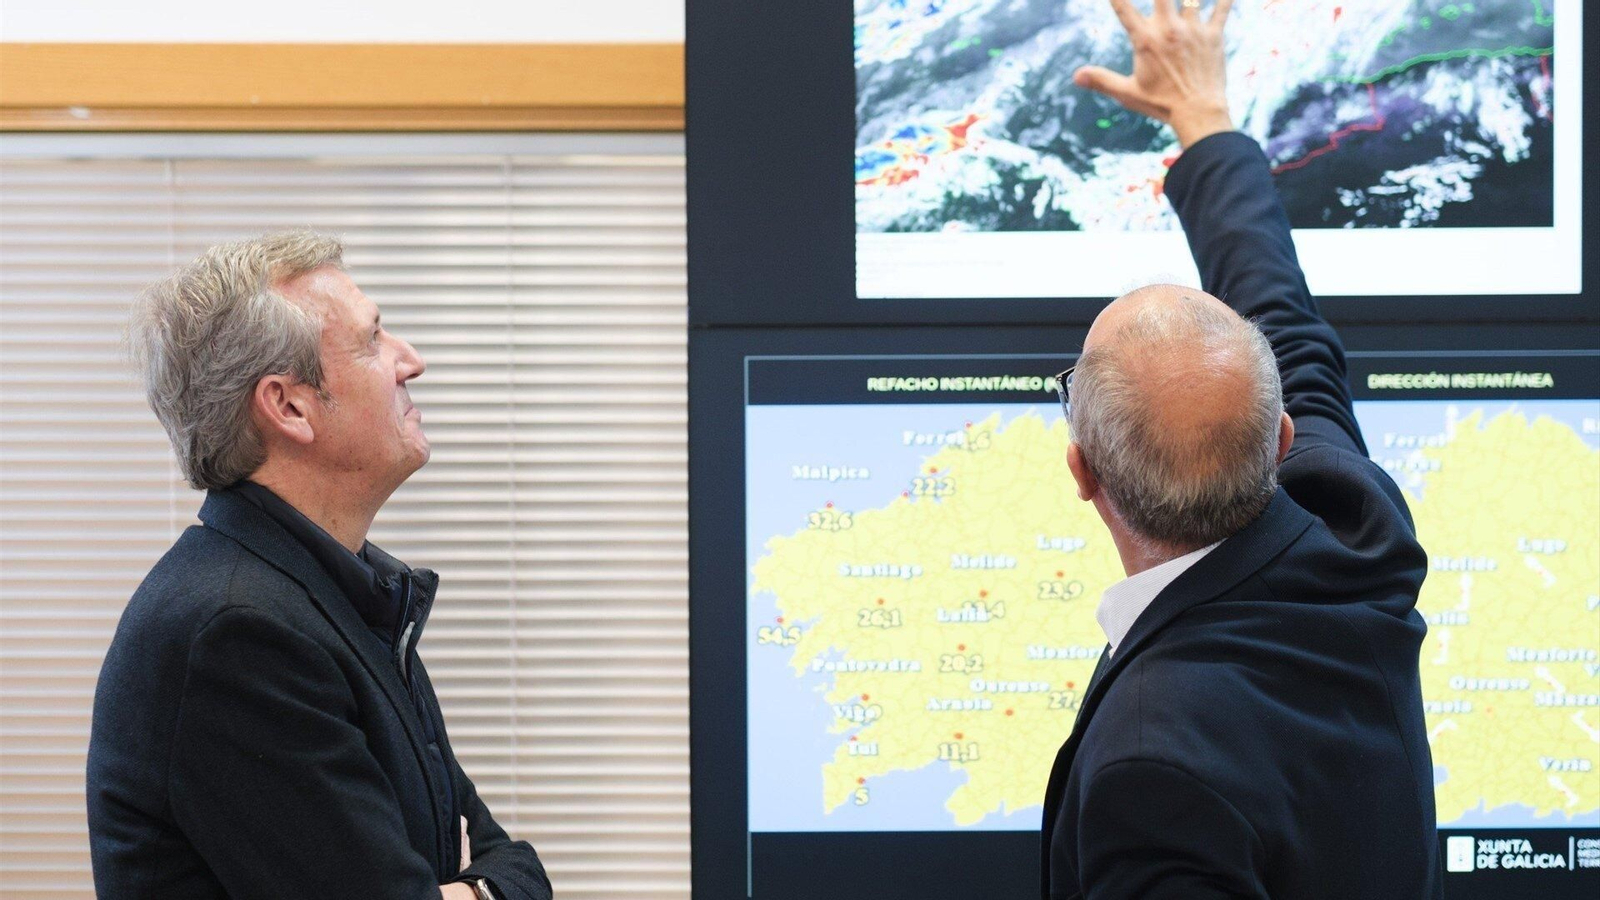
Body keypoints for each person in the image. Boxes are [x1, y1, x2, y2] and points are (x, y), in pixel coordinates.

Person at [1040, 2, 1440, 898]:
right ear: (1285, 441)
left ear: (1084, 474)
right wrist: (1204, 120)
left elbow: (1290, 337)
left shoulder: (1154, 764)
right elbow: (1289, 328)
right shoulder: (1356, 533)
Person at [87, 232, 551, 900]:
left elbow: (505, 856)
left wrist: (479, 885)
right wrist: (482, 888)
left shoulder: (341, 601)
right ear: (289, 406)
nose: (412, 361)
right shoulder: (238, 633)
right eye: (373, 340)